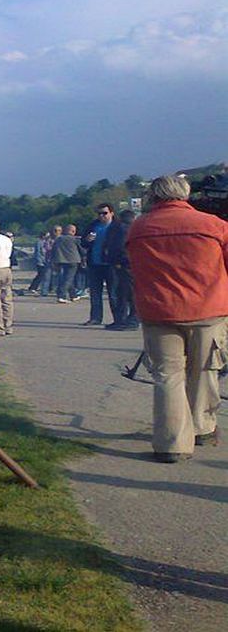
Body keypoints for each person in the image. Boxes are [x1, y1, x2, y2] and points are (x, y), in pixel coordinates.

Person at [127, 175, 227, 463]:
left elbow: (135, 267)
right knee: (204, 371)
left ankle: (172, 444)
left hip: (159, 311)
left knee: (167, 377)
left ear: (153, 196)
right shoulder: (214, 225)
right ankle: (202, 428)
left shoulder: (139, 228)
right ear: (185, 194)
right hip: (208, 309)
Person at [80, 203, 119, 326]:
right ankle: (95, 318)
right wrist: (87, 240)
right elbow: (83, 243)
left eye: (105, 213)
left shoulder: (117, 226)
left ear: (112, 213)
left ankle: (118, 318)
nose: (102, 216)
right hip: (94, 263)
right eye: (99, 213)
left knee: (113, 293)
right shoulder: (93, 225)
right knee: (95, 293)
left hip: (111, 264)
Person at [104, 209, 139, 330]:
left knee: (123, 294)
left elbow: (115, 246)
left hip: (121, 264)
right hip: (131, 263)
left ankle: (124, 320)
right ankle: (129, 320)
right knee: (129, 293)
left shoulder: (117, 228)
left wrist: (115, 261)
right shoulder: (132, 229)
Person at [52, 224, 81, 303]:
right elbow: (81, 249)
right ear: (73, 231)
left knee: (67, 277)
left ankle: (73, 295)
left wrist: (54, 261)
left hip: (62, 260)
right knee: (68, 278)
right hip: (73, 260)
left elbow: (54, 250)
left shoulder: (59, 239)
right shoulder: (75, 239)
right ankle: (62, 296)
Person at [26, 230, 53, 295]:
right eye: (47, 236)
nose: (48, 237)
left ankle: (49, 288)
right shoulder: (39, 242)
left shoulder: (46, 242)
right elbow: (38, 253)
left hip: (45, 261)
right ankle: (33, 287)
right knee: (40, 275)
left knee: (45, 275)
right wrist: (40, 261)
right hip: (40, 262)